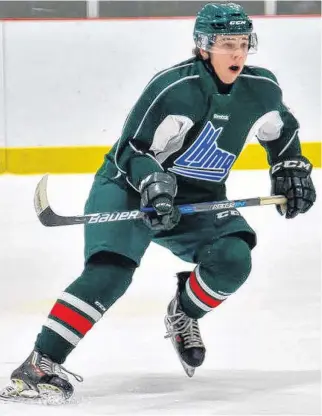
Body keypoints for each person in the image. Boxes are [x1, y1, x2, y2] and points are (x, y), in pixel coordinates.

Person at [1, 2, 316, 404]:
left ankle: (184, 311)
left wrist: (289, 168)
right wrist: (152, 181)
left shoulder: (262, 89)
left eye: (242, 43)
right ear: (203, 46)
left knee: (233, 258)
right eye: (226, 44)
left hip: (200, 199)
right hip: (128, 188)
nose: (237, 53)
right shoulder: (174, 88)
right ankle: (40, 363)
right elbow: (130, 150)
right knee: (110, 273)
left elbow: (281, 131)